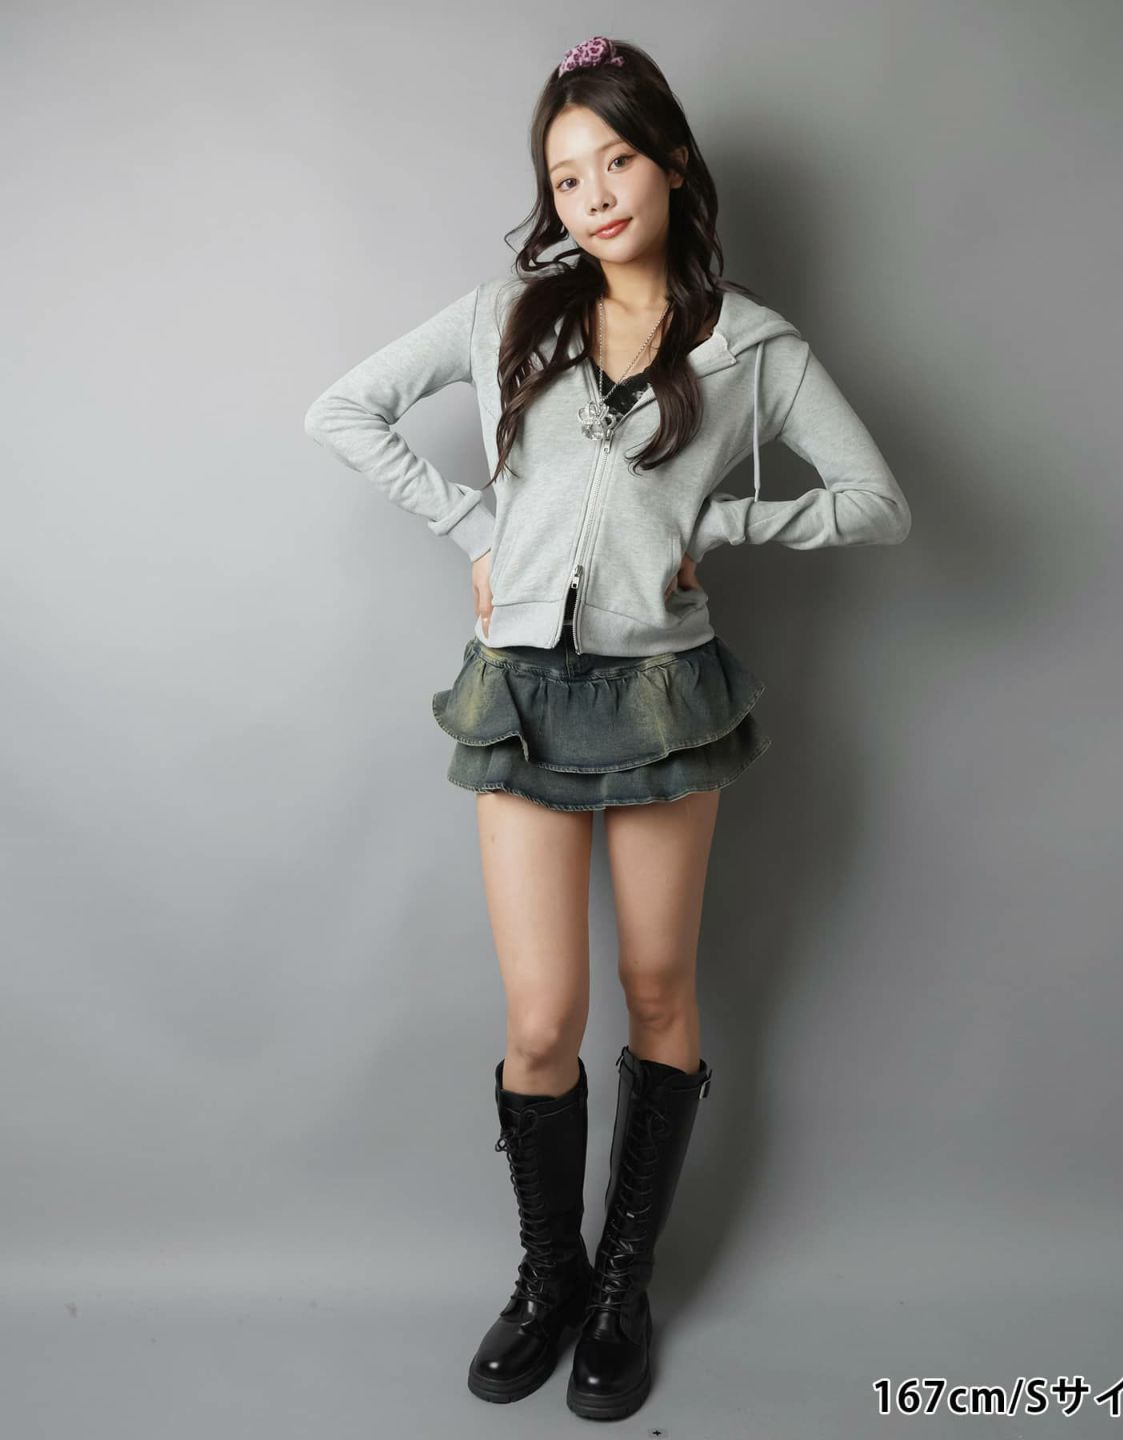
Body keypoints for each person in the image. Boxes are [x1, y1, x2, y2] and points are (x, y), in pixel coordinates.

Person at [303, 34, 911, 1422]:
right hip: (521, 688)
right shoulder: (506, 315)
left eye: (616, 159)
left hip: (660, 697)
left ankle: (623, 1288)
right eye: (566, 176)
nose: (593, 195)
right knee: (541, 1019)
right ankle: (550, 1274)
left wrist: (726, 521)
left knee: (655, 991)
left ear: (672, 162)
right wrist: (477, 530)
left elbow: (876, 501)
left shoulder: (750, 345)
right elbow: (344, 409)